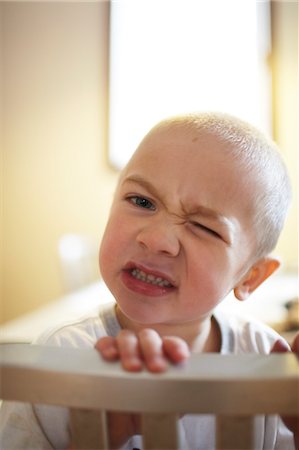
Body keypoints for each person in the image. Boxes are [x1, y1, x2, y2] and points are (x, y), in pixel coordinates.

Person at [0, 112, 298, 450]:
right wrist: (96, 437)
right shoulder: (58, 360)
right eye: (141, 202)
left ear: (251, 275)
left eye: (203, 227)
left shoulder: (267, 361)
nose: (157, 239)